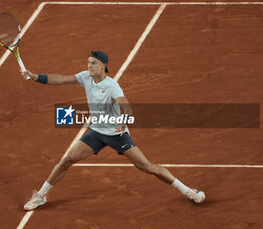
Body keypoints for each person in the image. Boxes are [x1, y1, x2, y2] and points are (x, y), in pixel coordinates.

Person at [21, 50, 205, 211]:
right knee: (67, 159)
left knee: (146, 167)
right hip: (96, 132)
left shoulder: (112, 86)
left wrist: (124, 122)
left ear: (103, 66)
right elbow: (61, 79)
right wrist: (36, 77)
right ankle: (41, 196)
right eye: (88, 62)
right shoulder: (86, 77)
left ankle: (188, 190)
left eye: (93, 63)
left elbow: (127, 107)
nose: (89, 65)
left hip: (117, 135)